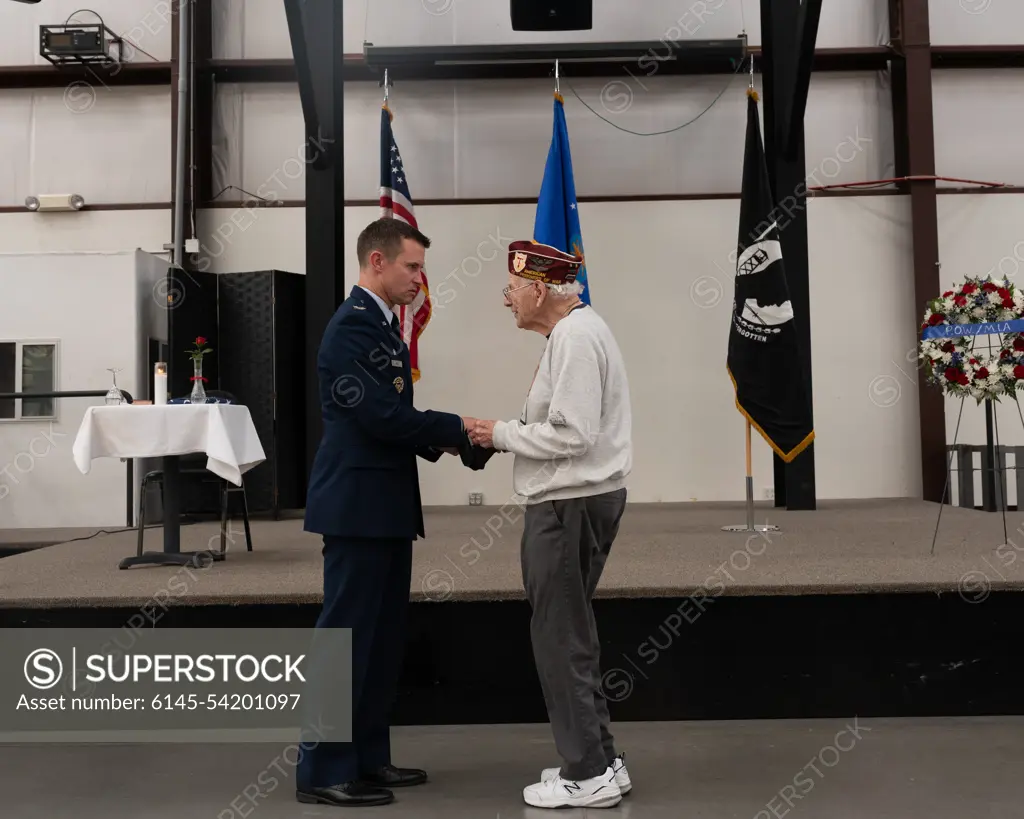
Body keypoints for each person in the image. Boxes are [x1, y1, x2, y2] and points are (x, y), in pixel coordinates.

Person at [299, 217, 476, 808]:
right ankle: (323, 770)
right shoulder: (350, 330)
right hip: (355, 507)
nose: (419, 281)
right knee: (345, 640)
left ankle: (367, 759)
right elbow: (380, 418)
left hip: (383, 506)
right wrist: (459, 431)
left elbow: (394, 417)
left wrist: (454, 442)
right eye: (413, 267)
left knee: (378, 641)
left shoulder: (379, 327)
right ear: (377, 262)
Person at [467, 240, 634, 810]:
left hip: (567, 506)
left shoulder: (576, 338)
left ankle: (586, 773)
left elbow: (572, 434)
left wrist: (499, 433)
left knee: (558, 638)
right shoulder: (573, 333)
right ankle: (602, 759)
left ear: (538, 288)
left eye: (512, 287)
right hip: (578, 501)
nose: (505, 297)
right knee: (572, 631)